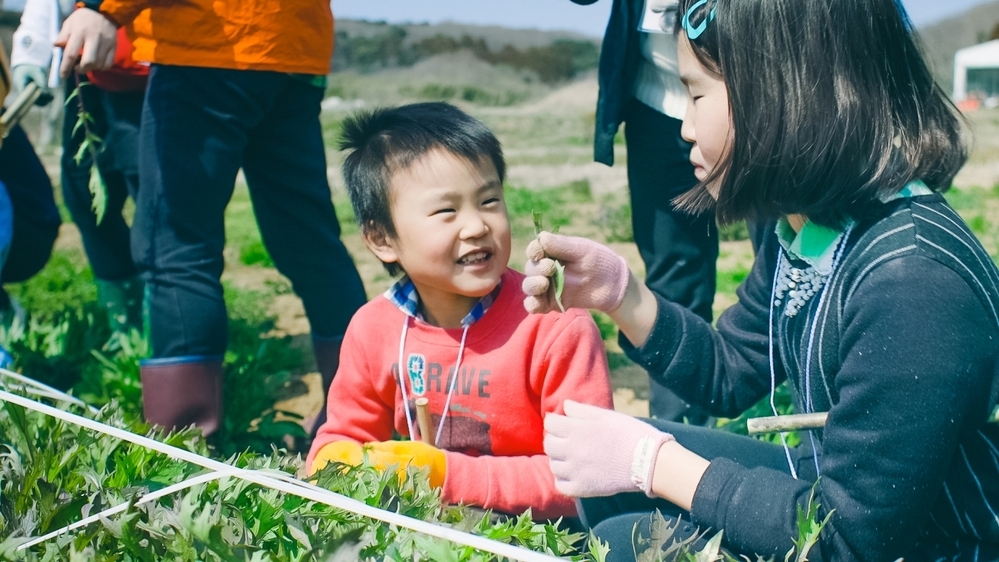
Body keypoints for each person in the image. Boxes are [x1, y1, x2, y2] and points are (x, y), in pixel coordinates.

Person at [522, 0, 999, 558]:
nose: (682, 125)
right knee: (614, 499)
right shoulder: (814, 224)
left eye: (697, 94)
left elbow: (848, 540)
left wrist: (655, 463)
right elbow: (731, 368)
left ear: (783, 93)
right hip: (840, 502)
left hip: (929, 540)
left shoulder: (913, 284)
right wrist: (621, 295)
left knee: (628, 541)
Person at [54, 0, 368, 438]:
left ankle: (185, 442)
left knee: (175, 247)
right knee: (308, 241)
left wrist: (103, 9)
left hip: (205, 48)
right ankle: (362, 417)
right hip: (294, 48)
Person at [307, 103, 614, 520]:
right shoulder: (372, 329)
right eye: (446, 211)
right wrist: (335, 459)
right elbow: (342, 438)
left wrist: (443, 475)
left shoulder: (555, 329)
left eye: (489, 200)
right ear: (382, 239)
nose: (475, 226)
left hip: (535, 535)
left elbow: (588, 480)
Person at [569, 0, 715, 424]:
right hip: (657, 98)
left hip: (757, 95)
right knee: (674, 269)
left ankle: (817, 429)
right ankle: (680, 432)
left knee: (791, 259)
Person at [12, 0, 147, 334]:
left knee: (152, 198)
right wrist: (31, 52)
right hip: (89, 71)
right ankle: (125, 320)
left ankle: (168, 318)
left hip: (149, 73)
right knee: (83, 193)